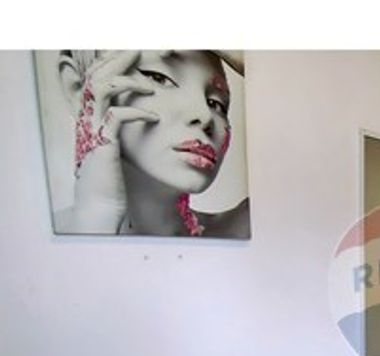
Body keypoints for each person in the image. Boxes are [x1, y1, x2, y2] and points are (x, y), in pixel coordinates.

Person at [49, 50, 250, 238]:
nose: (205, 115)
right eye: (159, 78)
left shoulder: (244, 231)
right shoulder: (37, 241)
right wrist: (98, 213)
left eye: (216, 103)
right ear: (77, 88)